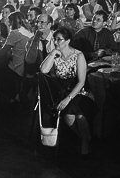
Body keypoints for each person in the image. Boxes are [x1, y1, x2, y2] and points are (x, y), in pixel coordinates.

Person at [39, 27, 95, 156]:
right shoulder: (55, 55)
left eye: (59, 39)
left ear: (68, 41)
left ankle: (84, 140)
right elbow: (43, 70)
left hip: (78, 91)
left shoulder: (78, 55)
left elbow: (81, 82)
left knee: (78, 114)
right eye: (55, 39)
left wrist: (68, 98)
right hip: (60, 92)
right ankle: (84, 137)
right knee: (71, 116)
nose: (56, 42)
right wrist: (52, 53)